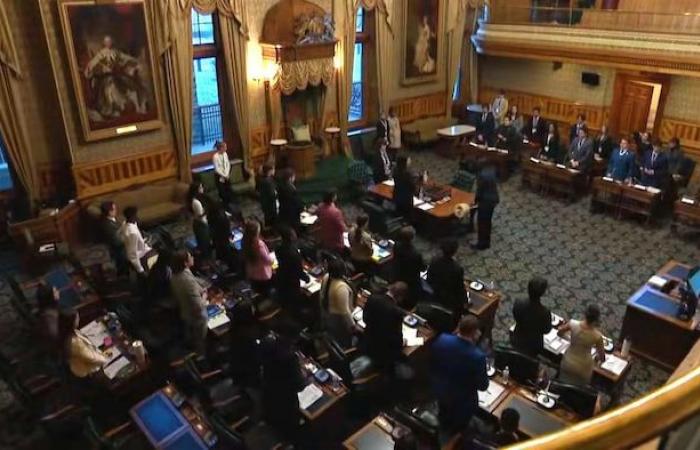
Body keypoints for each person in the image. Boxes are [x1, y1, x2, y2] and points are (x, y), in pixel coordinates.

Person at [431, 315, 489, 433]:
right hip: (462, 402)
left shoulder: (442, 339)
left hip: (441, 390)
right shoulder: (477, 357)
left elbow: (434, 362)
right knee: (459, 427)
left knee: (444, 416)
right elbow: (483, 386)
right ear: (474, 332)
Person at [260, 334, 306, 442]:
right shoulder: (290, 359)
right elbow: (300, 386)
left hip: (270, 407)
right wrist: (303, 375)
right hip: (288, 411)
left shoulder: (268, 354)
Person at [363, 282, 409, 372]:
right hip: (382, 355)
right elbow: (397, 341)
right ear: (400, 297)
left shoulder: (372, 298)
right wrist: (403, 341)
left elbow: (365, 319)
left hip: (366, 343)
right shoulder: (396, 312)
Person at [170, 250, 208, 354]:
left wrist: (201, 288)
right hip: (196, 318)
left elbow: (194, 284)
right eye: (190, 256)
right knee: (200, 341)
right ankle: (202, 356)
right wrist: (205, 295)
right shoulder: (186, 280)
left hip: (184, 311)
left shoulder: (175, 273)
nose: (193, 257)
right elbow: (199, 306)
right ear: (185, 263)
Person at [558, 304, 606, 385]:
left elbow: (559, 333)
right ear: (596, 319)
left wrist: (571, 340)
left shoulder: (572, 323)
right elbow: (602, 358)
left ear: (585, 314)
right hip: (584, 368)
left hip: (567, 362)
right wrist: (596, 358)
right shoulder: (597, 336)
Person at [59, 308, 108, 378]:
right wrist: (105, 358)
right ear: (71, 321)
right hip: (88, 373)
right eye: (77, 318)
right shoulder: (74, 342)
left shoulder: (66, 332)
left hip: (79, 366)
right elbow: (93, 358)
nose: (78, 319)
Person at [319, 259, 357, 348]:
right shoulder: (341, 288)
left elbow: (321, 296)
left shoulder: (326, 277)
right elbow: (345, 311)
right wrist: (353, 326)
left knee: (335, 336)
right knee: (344, 339)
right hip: (339, 319)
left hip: (329, 313)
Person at [511, 277, 552, 357]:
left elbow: (515, 315)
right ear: (542, 293)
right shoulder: (544, 312)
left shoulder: (518, 302)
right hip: (533, 344)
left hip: (517, 337)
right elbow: (546, 330)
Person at [427, 238, 465, 318]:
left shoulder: (434, 261)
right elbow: (459, 288)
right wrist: (465, 300)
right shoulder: (457, 269)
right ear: (455, 251)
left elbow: (429, 279)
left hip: (435, 294)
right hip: (450, 300)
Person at [276, 226, 310, 313]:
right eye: (293, 233)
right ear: (291, 237)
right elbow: (298, 271)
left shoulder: (278, 247)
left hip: (282, 275)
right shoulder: (293, 254)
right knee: (295, 299)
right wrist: (307, 278)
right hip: (292, 281)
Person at [392, 226, 425, 309]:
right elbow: (422, 268)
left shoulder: (396, 245)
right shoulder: (416, 254)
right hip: (411, 280)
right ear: (412, 238)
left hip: (398, 274)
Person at [242, 220, 275, 295]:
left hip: (251, 272)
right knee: (265, 292)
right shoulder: (259, 246)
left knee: (257, 289)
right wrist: (273, 259)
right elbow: (268, 261)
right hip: (262, 274)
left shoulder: (244, 241)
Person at [471, 163, 499, 251]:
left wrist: (475, 202)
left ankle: (481, 244)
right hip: (494, 199)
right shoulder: (490, 170)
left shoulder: (481, 176)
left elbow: (480, 191)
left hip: (486, 202)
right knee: (487, 222)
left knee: (482, 223)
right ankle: (487, 241)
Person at [207, 201, 240, 273]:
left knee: (221, 251)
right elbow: (226, 228)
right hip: (224, 238)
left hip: (217, 238)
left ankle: (223, 262)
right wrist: (230, 235)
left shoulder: (211, 216)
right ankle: (233, 268)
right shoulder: (222, 217)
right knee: (228, 253)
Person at [119, 206, 152, 275]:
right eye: (136, 215)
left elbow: (121, 236)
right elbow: (132, 254)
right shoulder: (132, 233)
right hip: (140, 256)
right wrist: (140, 270)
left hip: (142, 248)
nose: (137, 216)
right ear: (132, 217)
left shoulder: (124, 223)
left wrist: (142, 241)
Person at [98, 201, 128, 275]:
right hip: (119, 249)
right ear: (109, 212)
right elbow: (117, 241)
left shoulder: (113, 219)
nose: (116, 210)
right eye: (114, 209)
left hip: (122, 244)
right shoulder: (106, 225)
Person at [316, 189, 346, 254]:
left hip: (324, 237)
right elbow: (342, 228)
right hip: (335, 242)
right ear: (333, 198)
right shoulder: (336, 212)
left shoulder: (320, 207)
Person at [188, 181, 211, 258]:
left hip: (198, 223)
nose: (202, 189)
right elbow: (200, 215)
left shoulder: (196, 199)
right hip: (202, 224)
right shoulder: (196, 202)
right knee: (205, 243)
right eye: (200, 188)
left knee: (203, 243)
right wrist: (207, 210)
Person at [35, 283, 61, 352]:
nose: (58, 292)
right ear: (51, 297)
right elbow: (57, 337)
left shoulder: (47, 311)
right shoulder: (50, 317)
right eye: (55, 292)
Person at [212, 140, 234, 206]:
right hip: (219, 177)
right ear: (221, 148)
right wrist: (224, 175)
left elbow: (228, 164)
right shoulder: (215, 156)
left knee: (229, 190)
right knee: (222, 192)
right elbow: (217, 169)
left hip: (226, 175)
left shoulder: (225, 154)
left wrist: (227, 174)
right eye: (225, 147)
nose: (226, 148)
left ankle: (230, 203)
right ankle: (224, 204)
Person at [257, 164, 278, 229]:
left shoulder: (262, 179)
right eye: (273, 169)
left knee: (267, 217)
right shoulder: (268, 182)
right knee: (272, 219)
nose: (274, 171)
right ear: (270, 171)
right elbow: (272, 194)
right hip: (270, 204)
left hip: (264, 203)